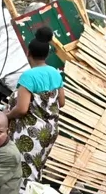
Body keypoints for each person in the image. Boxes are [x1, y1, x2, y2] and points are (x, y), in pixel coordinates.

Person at [5, 26, 65, 183]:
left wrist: (6, 116)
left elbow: (22, 109)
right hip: (50, 130)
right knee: (36, 167)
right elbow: (62, 102)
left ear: (28, 53)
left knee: (23, 169)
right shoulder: (55, 73)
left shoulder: (28, 76)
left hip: (30, 131)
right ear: (47, 54)